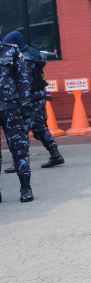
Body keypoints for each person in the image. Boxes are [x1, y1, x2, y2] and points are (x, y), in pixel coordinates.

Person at [3, 31, 64, 174]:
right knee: (39, 127)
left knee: (20, 131)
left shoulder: (24, 60)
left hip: (28, 99)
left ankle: (20, 162)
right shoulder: (33, 54)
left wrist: (22, 102)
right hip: (38, 96)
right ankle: (55, 155)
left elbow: (24, 83)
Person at [0, 35, 33, 202]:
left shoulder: (11, 50)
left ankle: (25, 187)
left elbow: (23, 78)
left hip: (11, 108)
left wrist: (26, 104)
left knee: (19, 148)